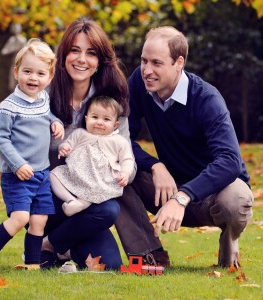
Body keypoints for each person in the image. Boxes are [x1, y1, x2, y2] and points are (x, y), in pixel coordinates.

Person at [115, 26, 254, 268]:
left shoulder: (207, 99)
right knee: (114, 169)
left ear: (179, 62)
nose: (147, 70)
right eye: (144, 60)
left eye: (156, 63)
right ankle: (150, 254)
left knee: (238, 199)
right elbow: (120, 138)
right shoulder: (139, 82)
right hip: (166, 188)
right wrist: (155, 165)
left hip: (211, 196)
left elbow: (230, 161)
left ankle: (228, 250)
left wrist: (183, 196)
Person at [40, 18, 136, 270]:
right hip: (48, 196)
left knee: (110, 261)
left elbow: (126, 154)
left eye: (90, 53)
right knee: (99, 212)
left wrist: (119, 173)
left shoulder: (111, 101)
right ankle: (56, 241)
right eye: (75, 50)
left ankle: (51, 244)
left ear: (99, 62)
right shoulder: (44, 94)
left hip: (90, 201)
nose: (82, 59)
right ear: (63, 56)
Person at [0, 38, 64, 275]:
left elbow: (47, 115)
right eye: (27, 71)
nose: (33, 78)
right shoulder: (8, 106)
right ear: (16, 72)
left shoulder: (43, 99)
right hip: (18, 175)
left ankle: (32, 263)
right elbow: (0, 138)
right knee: (21, 217)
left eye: (40, 73)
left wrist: (56, 122)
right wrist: (18, 164)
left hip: (41, 173)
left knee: (39, 221)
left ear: (50, 76)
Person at [50, 95, 135, 216]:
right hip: (75, 174)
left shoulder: (119, 141)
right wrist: (64, 148)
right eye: (95, 117)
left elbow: (127, 159)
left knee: (94, 190)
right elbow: (67, 144)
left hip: (100, 178)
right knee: (53, 175)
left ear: (115, 125)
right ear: (86, 119)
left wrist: (125, 173)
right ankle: (71, 200)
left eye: (106, 119)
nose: (99, 122)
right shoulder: (80, 134)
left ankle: (81, 204)